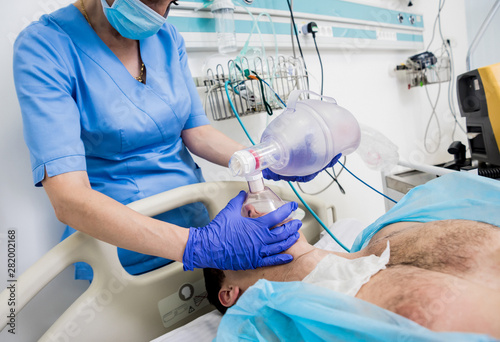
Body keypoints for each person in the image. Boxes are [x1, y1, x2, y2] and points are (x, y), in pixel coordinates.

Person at [13, 0, 339, 280]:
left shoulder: (167, 37)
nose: (158, 14)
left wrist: (268, 158)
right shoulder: (44, 47)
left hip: (202, 223)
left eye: (169, 3)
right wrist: (197, 247)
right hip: (123, 250)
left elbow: (197, 133)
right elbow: (69, 199)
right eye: (149, 0)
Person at [204, 172, 500, 338]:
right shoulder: (282, 326)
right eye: (234, 231)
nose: (254, 208)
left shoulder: (393, 223)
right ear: (229, 293)